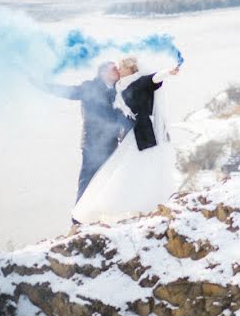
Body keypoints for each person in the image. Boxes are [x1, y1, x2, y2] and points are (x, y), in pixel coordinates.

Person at [71, 56, 180, 224]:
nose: (118, 70)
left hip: (138, 135)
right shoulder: (115, 87)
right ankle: (85, 216)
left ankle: (143, 204)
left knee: (131, 170)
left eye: (120, 67)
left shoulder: (136, 82)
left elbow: (152, 79)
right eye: (115, 68)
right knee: (108, 174)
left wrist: (168, 72)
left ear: (130, 70)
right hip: (111, 140)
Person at [46, 61, 134, 209]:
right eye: (113, 68)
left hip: (112, 145)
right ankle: (78, 220)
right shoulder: (89, 87)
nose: (117, 71)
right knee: (87, 181)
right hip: (92, 144)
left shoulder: (119, 91)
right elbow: (66, 91)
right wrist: (39, 83)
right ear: (103, 72)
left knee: (107, 182)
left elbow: (124, 117)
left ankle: (98, 215)